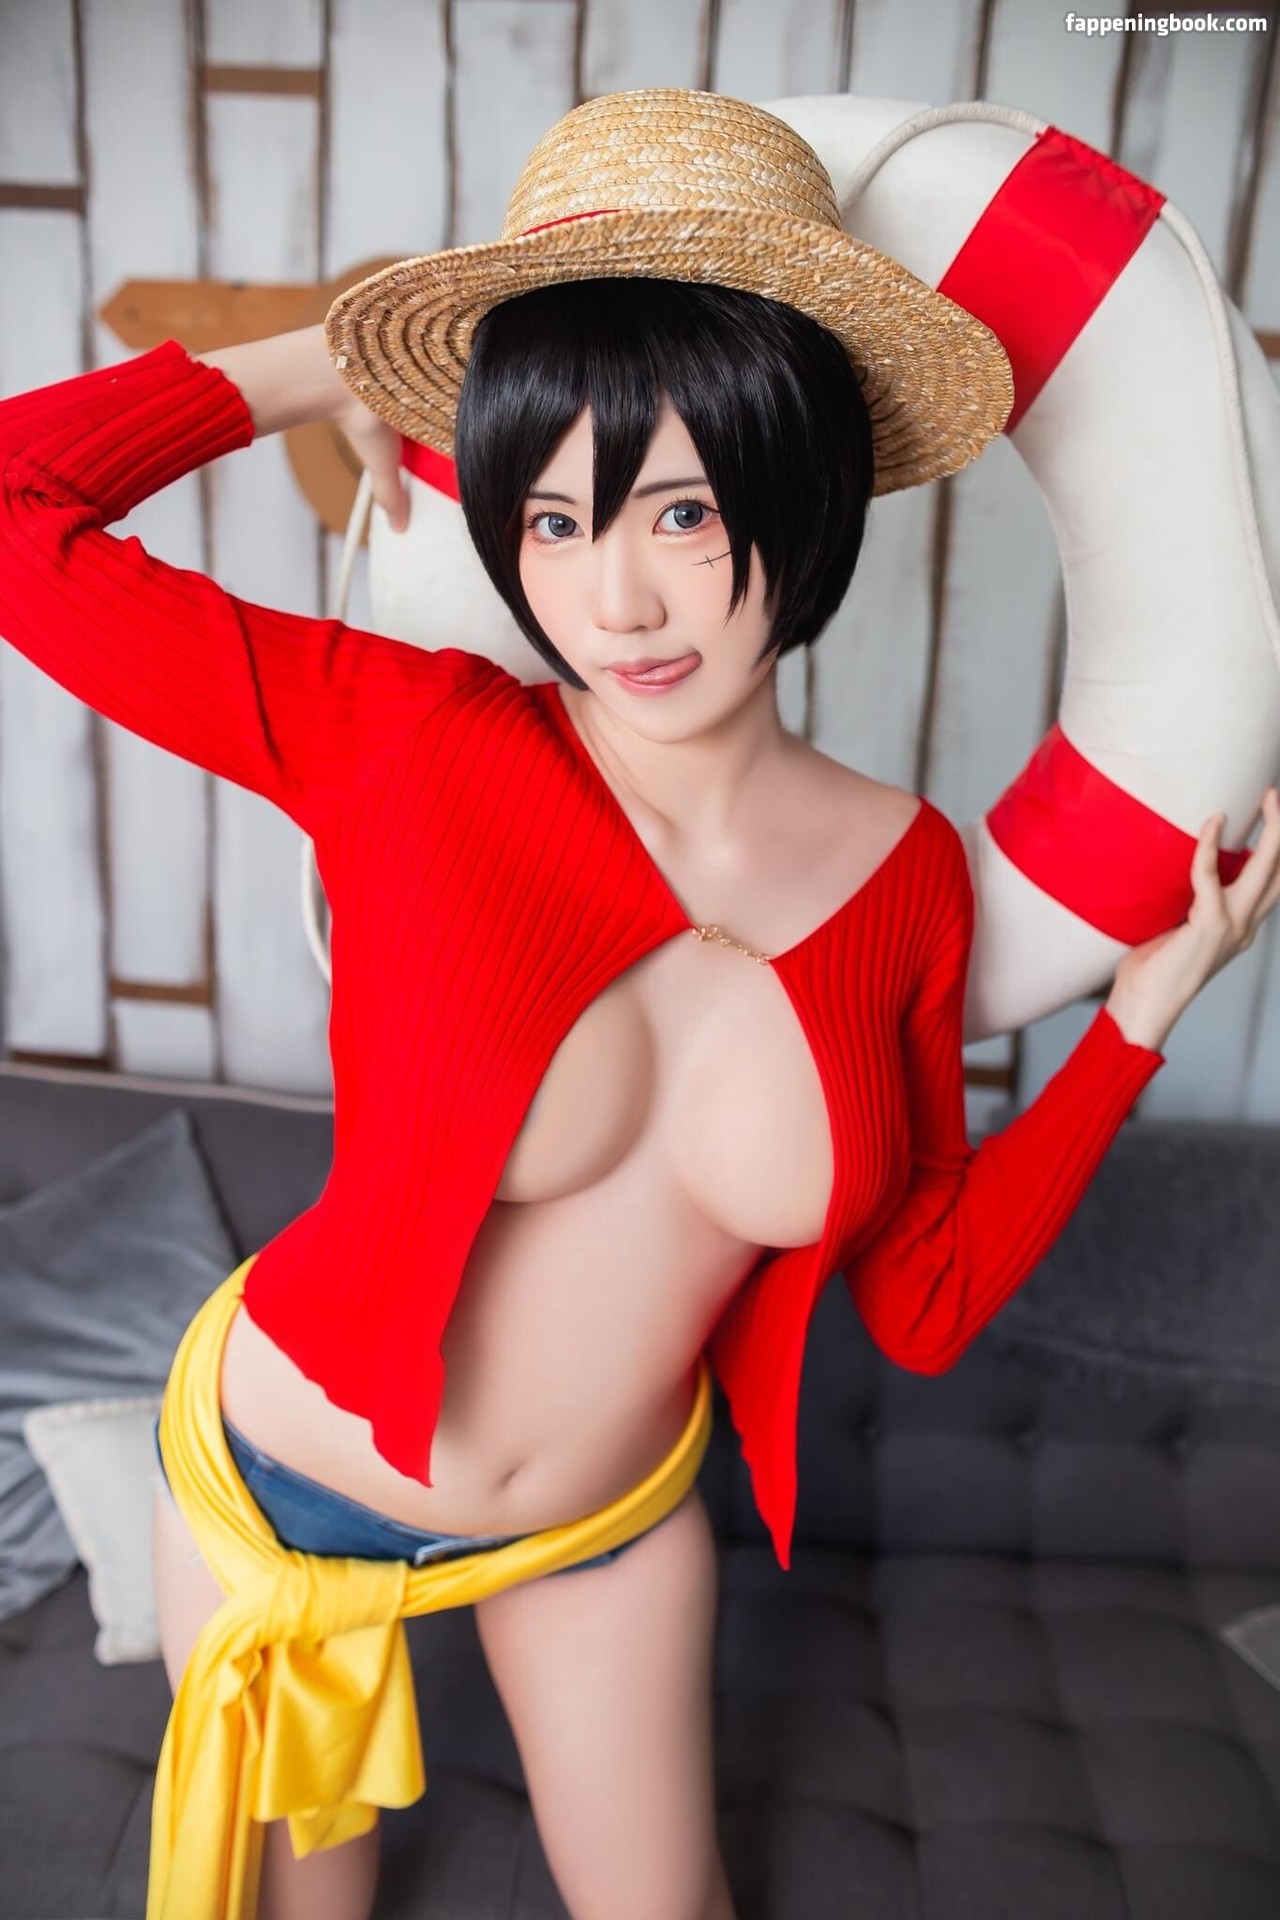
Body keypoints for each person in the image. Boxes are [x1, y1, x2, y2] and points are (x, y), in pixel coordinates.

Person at [2, 86, 1278, 1920]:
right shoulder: (412, 741)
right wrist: (327, 358)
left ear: (802, 495)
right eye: (553, 519)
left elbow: (921, 1302)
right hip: (280, 1490)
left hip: (603, 1528)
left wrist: (1138, 1019)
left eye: (681, 511)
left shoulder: (910, 877)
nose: (616, 601)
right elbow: (16, 506)